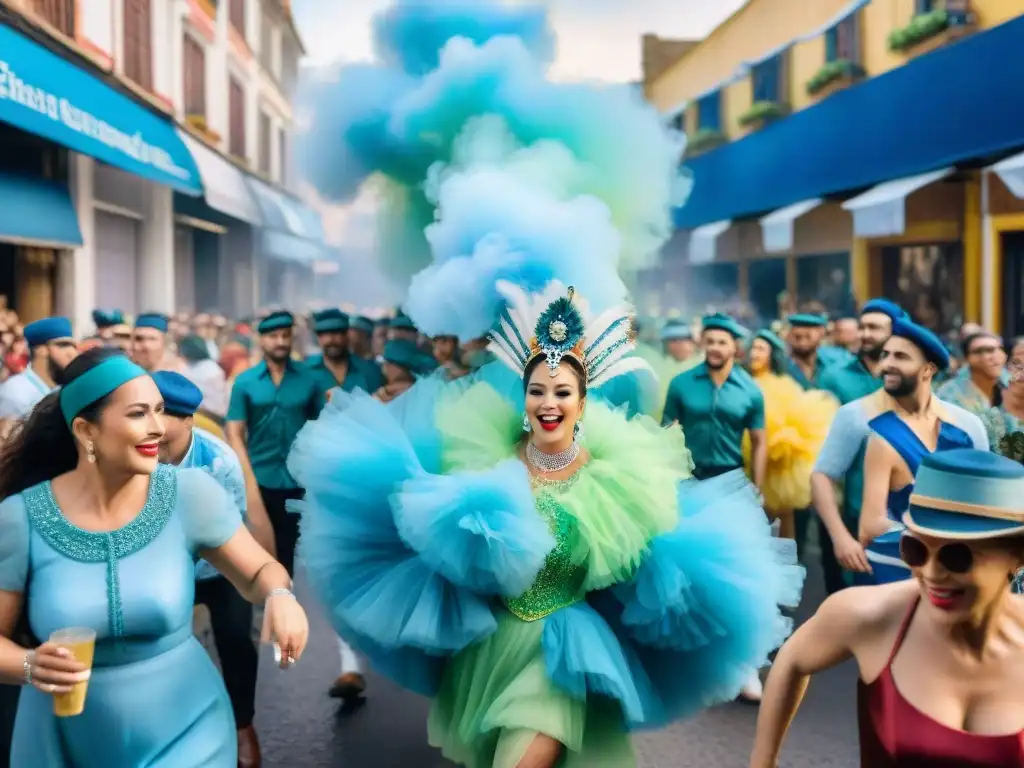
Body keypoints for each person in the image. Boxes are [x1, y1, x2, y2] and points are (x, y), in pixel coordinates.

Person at [288, 281, 803, 768]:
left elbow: (654, 560)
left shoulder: (615, 479)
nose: (548, 404)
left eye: (561, 393)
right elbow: (434, 533)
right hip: (490, 649)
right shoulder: (485, 460)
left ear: (581, 403)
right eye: (537, 392)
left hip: (564, 652)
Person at [0, 348, 308, 767]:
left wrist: (279, 596)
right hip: (63, 741)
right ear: (86, 431)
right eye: (138, 414)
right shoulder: (20, 518)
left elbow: (259, 570)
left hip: (189, 730)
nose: (157, 429)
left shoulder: (191, 493)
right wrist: (29, 664)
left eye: (160, 412)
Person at [750, 448, 1024, 768]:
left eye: (956, 557)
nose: (932, 573)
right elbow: (793, 659)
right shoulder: (873, 618)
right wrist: (763, 760)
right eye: (915, 549)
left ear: (1016, 556)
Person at [151, 370, 268, 767]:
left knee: (236, 639)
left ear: (188, 421)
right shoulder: (136, 451)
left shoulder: (220, 462)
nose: (152, 430)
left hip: (218, 567)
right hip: (161, 568)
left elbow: (228, 535)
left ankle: (243, 726)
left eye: (163, 417)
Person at [816, 318, 988, 587]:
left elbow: (983, 499)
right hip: (890, 562)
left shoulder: (968, 425)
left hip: (955, 566)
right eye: (885, 355)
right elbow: (822, 476)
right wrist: (840, 538)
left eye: (900, 356)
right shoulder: (858, 417)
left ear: (928, 369)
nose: (886, 364)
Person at [813, 297, 904, 594]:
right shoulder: (835, 377)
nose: (866, 333)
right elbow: (820, 440)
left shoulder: (908, 376)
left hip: (903, 500)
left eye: (875, 327)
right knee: (848, 592)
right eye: (863, 327)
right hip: (849, 499)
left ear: (896, 331)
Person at [225, 311, 323, 576]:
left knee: (300, 554)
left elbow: (324, 429)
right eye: (273, 336)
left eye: (285, 335)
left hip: (301, 480)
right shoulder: (245, 382)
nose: (280, 341)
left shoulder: (310, 379)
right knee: (263, 555)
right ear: (262, 340)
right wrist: (245, 478)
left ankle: (300, 609)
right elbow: (234, 431)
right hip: (260, 479)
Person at [744, 329, 836, 541]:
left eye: (761, 349)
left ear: (771, 355)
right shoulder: (740, 382)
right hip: (740, 465)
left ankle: (786, 568)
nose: (754, 354)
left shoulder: (783, 386)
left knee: (779, 525)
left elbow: (799, 426)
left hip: (776, 470)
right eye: (753, 348)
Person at [0, 317, 78, 434]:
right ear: (41, 350)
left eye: (74, 346)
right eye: (63, 345)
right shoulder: (15, 393)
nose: (72, 353)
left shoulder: (68, 389)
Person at [306, 309, 383, 398]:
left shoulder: (370, 371)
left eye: (337, 333)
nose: (331, 340)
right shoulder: (304, 371)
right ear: (318, 338)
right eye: (325, 334)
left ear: (347, 335)